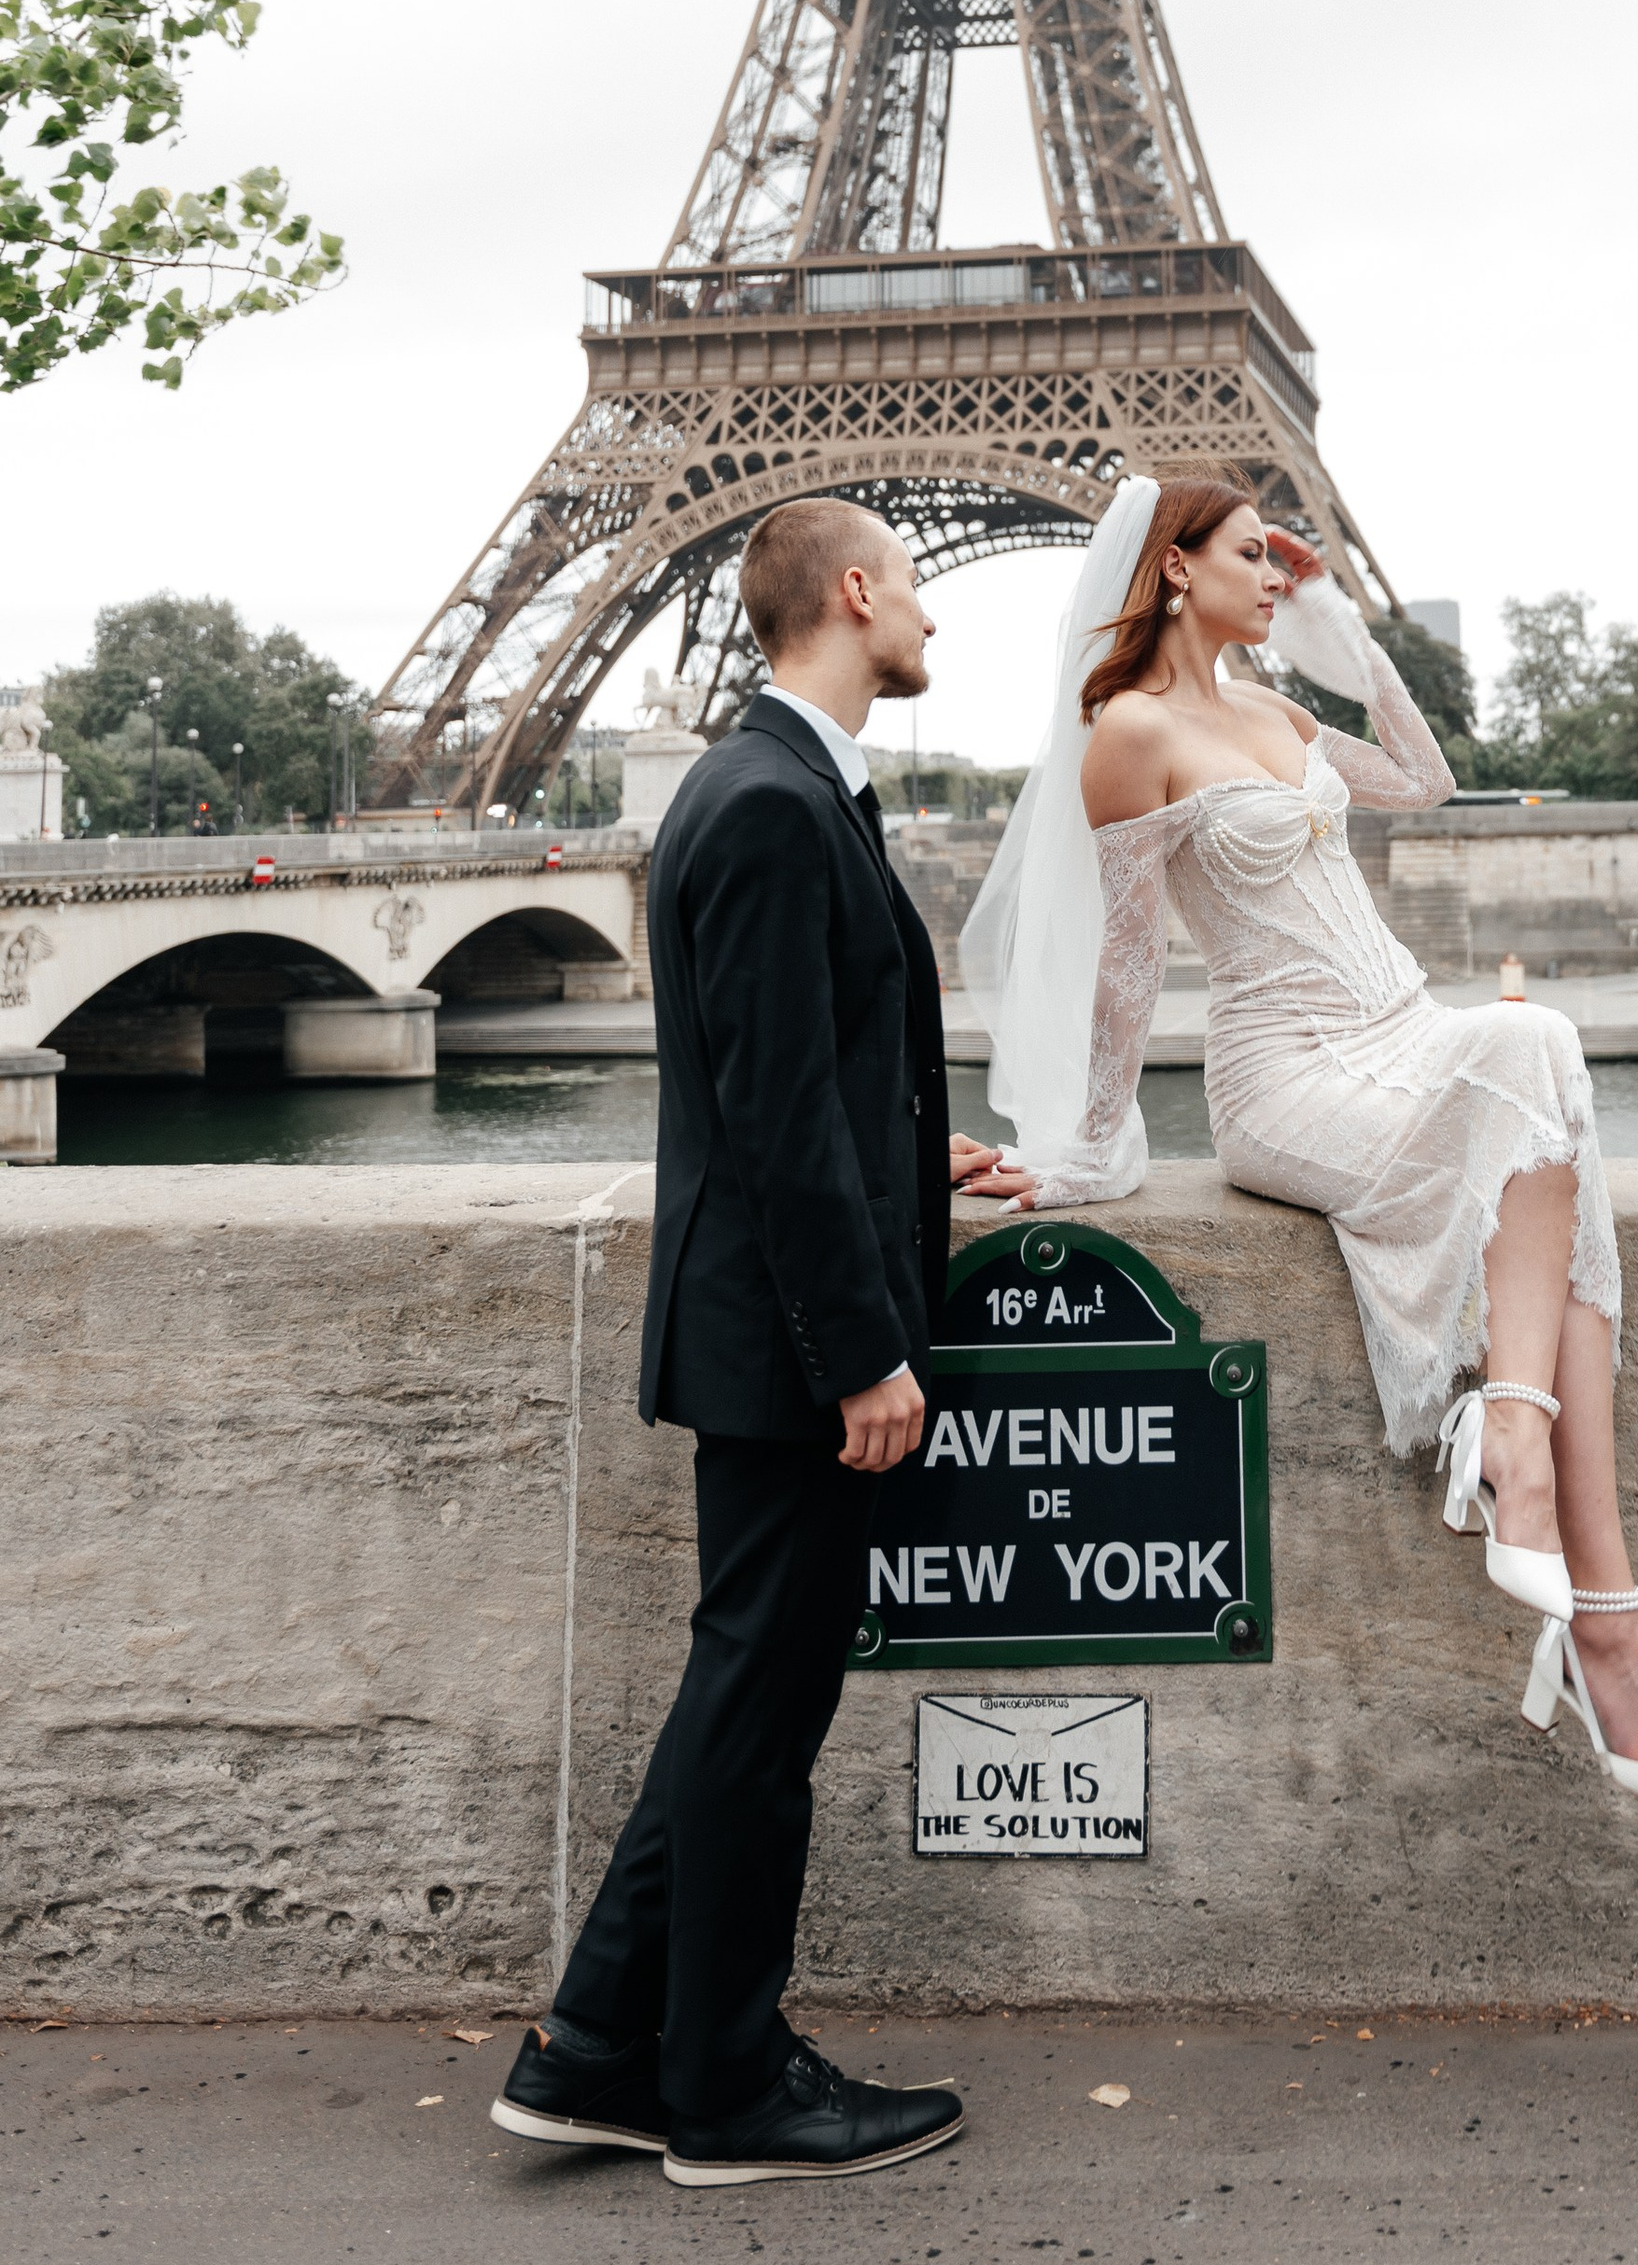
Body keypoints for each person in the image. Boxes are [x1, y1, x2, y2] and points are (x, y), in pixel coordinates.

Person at [963, 480, 1638, 1821]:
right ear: (1175, 567)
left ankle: (1528, 1466)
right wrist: (1088, 1145)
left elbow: (1424, 782)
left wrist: (1345, 632)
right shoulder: (1131, 735)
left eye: (1281, 563)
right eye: (1254, 558)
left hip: (1403, 1032)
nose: (1276, 575)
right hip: (1286, 1075)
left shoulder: (1276, 711)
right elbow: (1129, 964)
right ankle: (1604, 1612)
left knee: (1532, 1049)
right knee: (1535, 1055)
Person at [492, 497, 1034, 2186]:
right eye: (918, 590)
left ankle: (598, 2049)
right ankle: (727, 2091)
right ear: (856, 595)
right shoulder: (778, 807)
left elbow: (787, 1088)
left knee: (741, 1695)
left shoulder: (769, 790)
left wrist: (907, 1156)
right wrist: (866, 1352)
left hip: (775, 1323)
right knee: (758, 1708)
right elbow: (778, 1119)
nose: (934, 619)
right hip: (799, 1349)